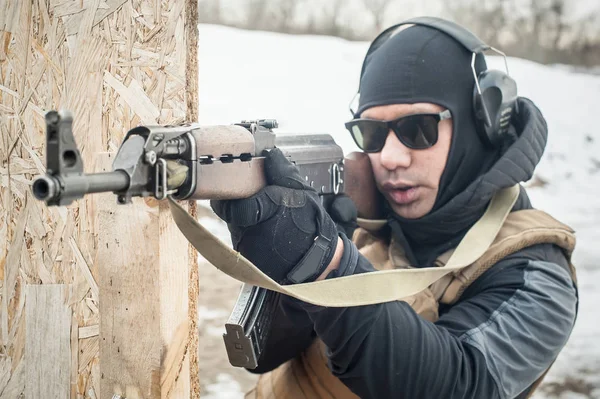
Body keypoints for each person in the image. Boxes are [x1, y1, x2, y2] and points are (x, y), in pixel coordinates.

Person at [210, 17, 578, 399]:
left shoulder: (537, 276)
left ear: (480, 125)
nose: (390, 157)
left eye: (418, 129)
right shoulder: (369, 218)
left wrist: (328, 266)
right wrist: (291, 268)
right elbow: (261, 356)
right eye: (372, 133)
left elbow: (458, 384)